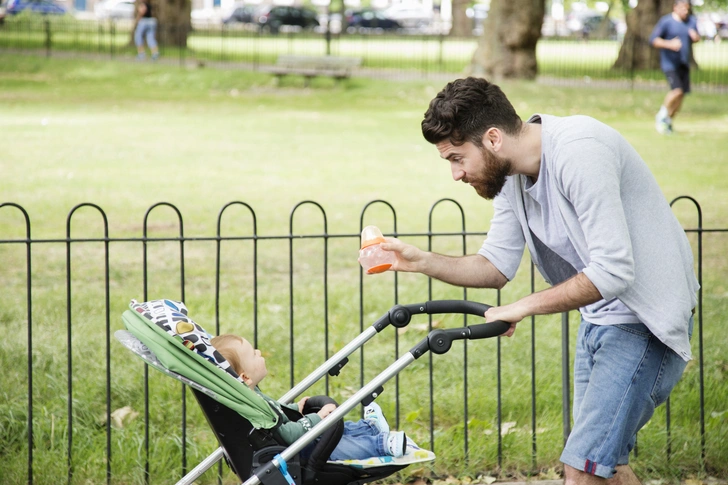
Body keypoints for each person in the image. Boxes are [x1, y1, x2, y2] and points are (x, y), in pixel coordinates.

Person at [379, 77, 698, 484]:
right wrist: (421, 260)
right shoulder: (511, 176)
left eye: (458, 158)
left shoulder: (581, 151)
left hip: (645, 321)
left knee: (582, 467)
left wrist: (525, 305)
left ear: (493, 138)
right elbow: (494, 267)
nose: (456, 175)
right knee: (607, 465)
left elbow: (615, 270)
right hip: (600, 320)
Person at [210, 334, 407, 461]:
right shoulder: (250, 406)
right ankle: (383, 445)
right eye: (254, 354)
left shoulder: (251, 396)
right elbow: (286, 434)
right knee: (339, 445)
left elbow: (275, 413)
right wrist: (318, 417)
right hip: (297, 453)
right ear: (245, 377)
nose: (260, 352)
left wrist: (296, 408)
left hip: (295, 443)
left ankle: (371, 428)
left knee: (336, 432)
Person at [650, 0, 700, 134]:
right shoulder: (666, 22)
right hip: (669, 63)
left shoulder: (691, 21)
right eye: (683, 8)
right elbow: (654, 40)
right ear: (675, 7)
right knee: (676, 91)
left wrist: (695, 37)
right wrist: (669, 44)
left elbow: (696, 37)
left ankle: (668, 121)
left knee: (682, 95)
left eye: (687, 9)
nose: (685, 11)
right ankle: (661, 116)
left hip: (683, 63)